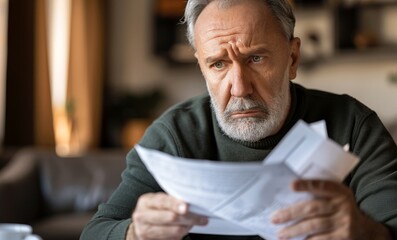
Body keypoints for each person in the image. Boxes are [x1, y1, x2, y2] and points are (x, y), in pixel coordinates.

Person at [81, 0, 397, 239]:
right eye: (218, 64)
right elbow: (95, 232)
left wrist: (364, 231)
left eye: (255, 58)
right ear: (201, 68)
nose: (240, 87)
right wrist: (136, 232)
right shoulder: (174, 134)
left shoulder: (353, 126)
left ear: (293, 58)